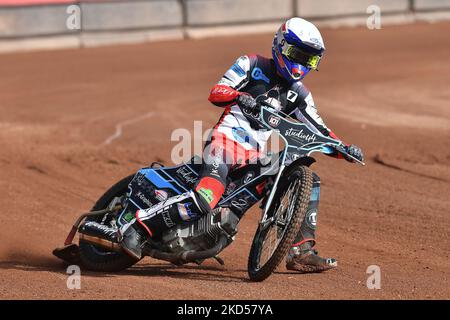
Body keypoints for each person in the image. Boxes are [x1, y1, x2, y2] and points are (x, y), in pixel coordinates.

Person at [119, 17, 364, 273]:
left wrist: (344, 147)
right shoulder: (252, 63)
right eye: (298, 54)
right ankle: (137, 228)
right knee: (206, 198)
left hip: (254, 156)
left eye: (309, 59)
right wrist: (239, 97)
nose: (302, 63)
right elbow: (217, 91)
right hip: (224, 144)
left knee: (305, 178)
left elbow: (319, 128)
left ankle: (300, 252)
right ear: (281, 45)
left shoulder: (300, 95)